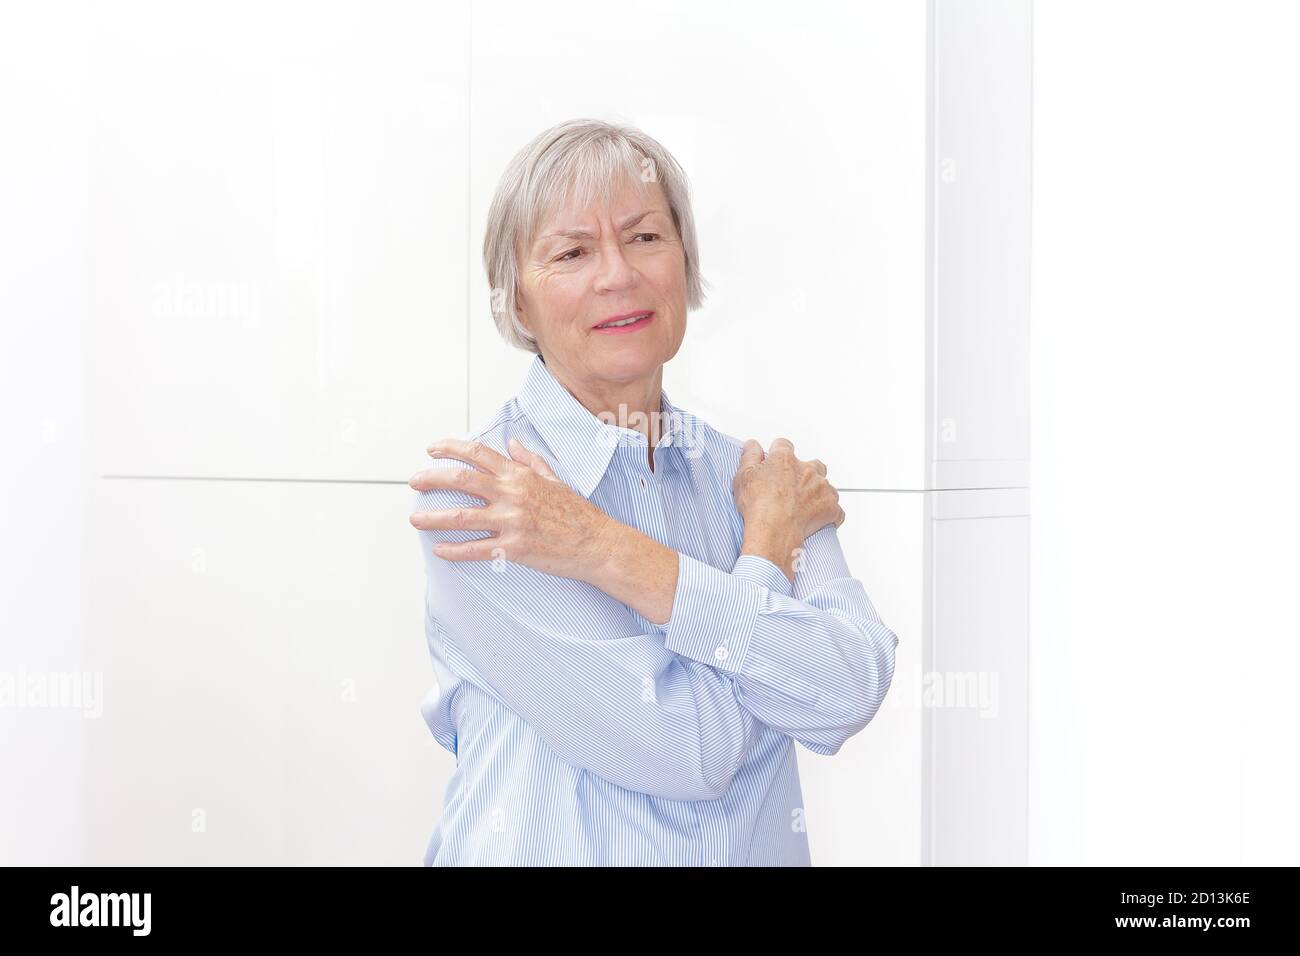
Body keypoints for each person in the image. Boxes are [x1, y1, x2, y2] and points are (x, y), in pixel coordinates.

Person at [408, 118, 899, 866]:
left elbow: (851, 687)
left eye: (644, 237)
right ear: (517, 302)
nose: (618, 276)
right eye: (572, 252)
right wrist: (763, 561)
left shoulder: (757, 482)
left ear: (685, 261)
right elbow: (690, 749)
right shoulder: (487, 504)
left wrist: (607, 552)